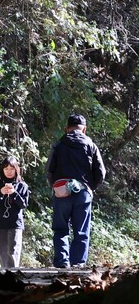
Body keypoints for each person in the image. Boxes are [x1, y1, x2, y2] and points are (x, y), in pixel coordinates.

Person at [46, 113, 106, 268]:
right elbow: (101, 172)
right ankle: (78, 264)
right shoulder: (91, 145)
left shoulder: (58, 145)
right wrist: (90, 188)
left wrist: (56, 187)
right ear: (84, 129)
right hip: (83, 192)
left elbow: (49, 170)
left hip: (61, 191)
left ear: (67, 128)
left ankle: (62, 262)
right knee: (81, 230)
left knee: (60, 228)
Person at [0, 155, 30, 269]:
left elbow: (24, 205)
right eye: (6, 169)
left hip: (15, 224)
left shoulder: (22, 186)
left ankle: (12, 276)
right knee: (1, 254)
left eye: (12, 169)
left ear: (16, 170)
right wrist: (0, 193)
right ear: (2, 170)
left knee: (13, 252)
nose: (9, 172)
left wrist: (14, 193)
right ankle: (5, 275)